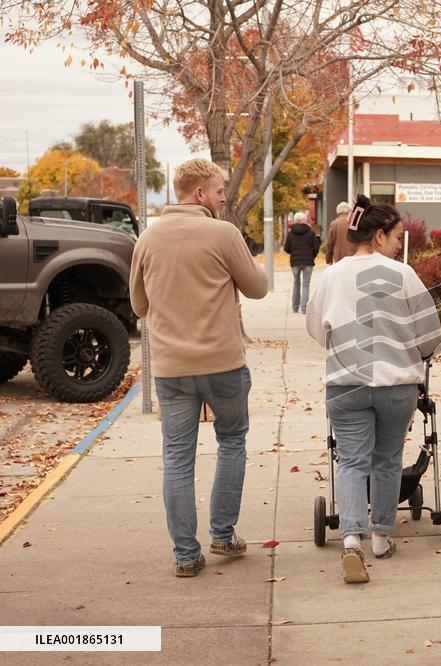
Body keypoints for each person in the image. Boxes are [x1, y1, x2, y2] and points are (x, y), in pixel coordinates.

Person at [129, 158, 269, 576]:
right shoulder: (223, 234)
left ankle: (186, 556)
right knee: (231, 442)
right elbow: (258, 288)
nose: (225, 195)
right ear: (200, 194)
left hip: (171, 369)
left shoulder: (148, 240)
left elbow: (138, 305)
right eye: (220, 188)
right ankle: (223, 535)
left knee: (176, 458)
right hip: (223, 363)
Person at [306, 195, 441, 583]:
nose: (399, 245)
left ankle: (351, 538)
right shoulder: (403, 275)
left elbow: (317, 329)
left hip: (346, 385)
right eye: (397, 237)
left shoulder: (331, 276)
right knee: (386, 460)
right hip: (396, 385)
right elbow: (430, 333)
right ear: (379, 236)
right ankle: (381, 536)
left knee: (350, 461)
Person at [283, 211, 320, 313]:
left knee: (296, 283)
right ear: (304, 220)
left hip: (295, 262)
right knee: (306, 284)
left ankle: (295, 306)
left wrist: (294, 253)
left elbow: (286, 248)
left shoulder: (291, 234)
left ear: (295, 220)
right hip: (308, 261)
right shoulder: (311, 233)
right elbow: (316, 247)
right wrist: (312, 256)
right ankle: (304, 308)